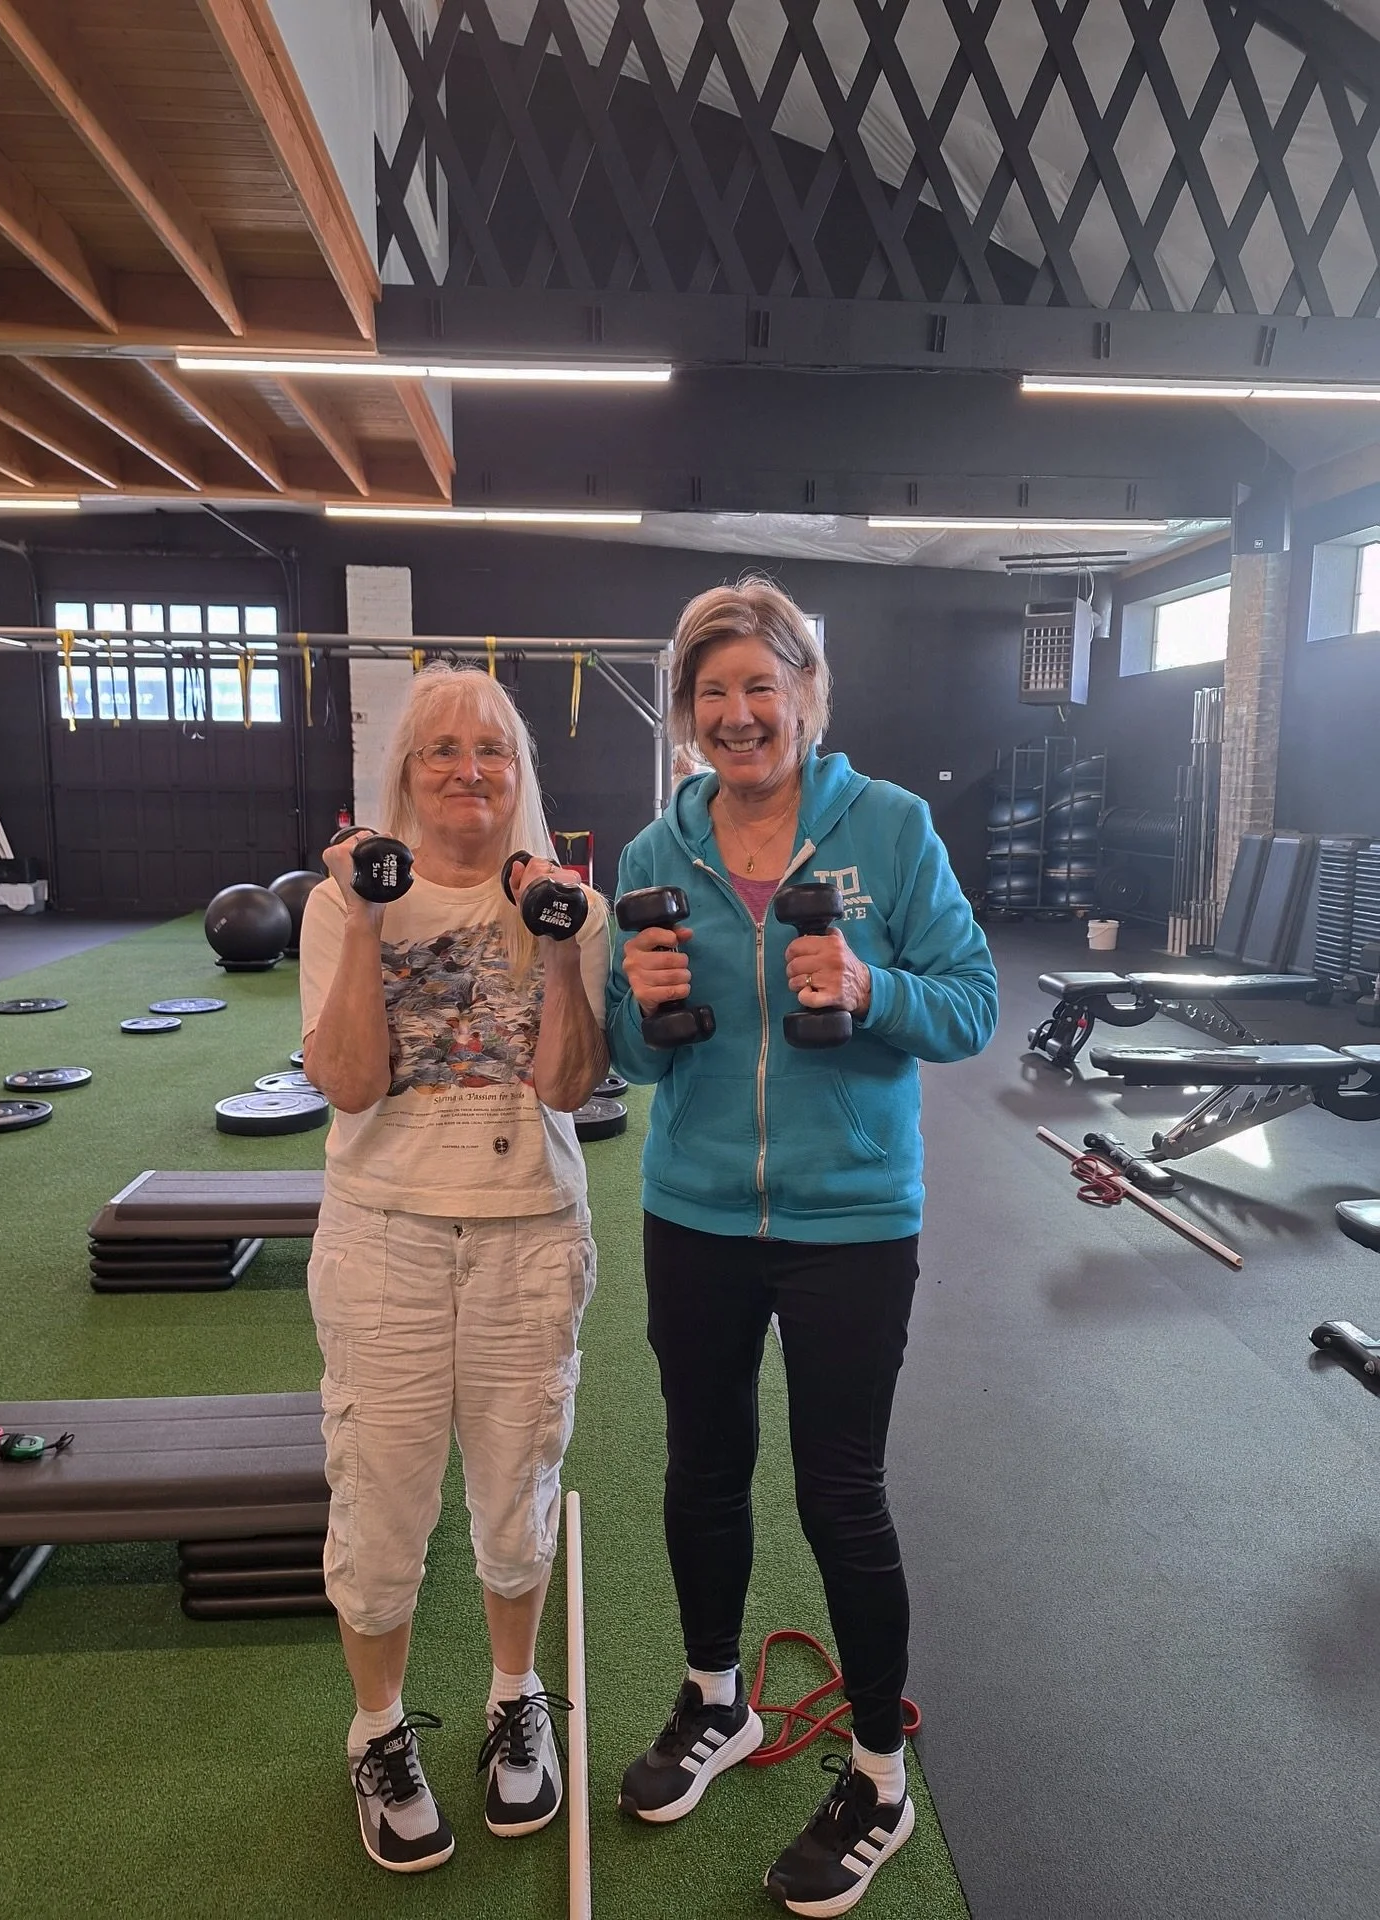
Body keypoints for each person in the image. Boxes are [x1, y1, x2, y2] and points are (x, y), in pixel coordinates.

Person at [606, 579, 998, 1917]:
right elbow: (616, 1054)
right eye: (711, 693)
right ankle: (717, 1699)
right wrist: (638, 1008)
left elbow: (975, 1004)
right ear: (686, 715)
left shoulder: (890, 830)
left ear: (807, 696)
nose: (738, 714)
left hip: (851, 1219)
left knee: (840, 1490)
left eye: (761, 686)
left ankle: (877, 1769)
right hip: (695, 1208)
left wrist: (875, 989)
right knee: (703, 1467)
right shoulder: (658, 852)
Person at [300, 664, 610, 1875]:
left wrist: (569, 945)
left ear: (520, 772)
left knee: (516, 1489)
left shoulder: (561, 902)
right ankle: (377, 1730)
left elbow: (573, 1088)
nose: (469, 769)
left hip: (529, 1224)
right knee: (380, 1503)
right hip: (384, 1232)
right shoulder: (345, 904)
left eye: (492, 749)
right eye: (442, 750)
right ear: (404, 773)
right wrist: (370, 914)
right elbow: (349, 1083)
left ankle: (513, 1695)